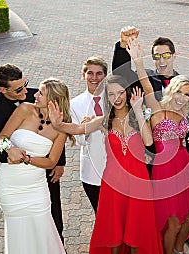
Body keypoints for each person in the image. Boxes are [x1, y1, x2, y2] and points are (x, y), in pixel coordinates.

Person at [49, 75, 163, 254]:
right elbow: (78, 129)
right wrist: (57, 124)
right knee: (113, 234)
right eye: (111, 94)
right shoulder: (104, 120)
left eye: (120, 92)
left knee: (137, 233)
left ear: (127, 93)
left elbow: (148, 142)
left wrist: (138, 110)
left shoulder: (138, 117)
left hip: (138, 182)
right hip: (113, 183)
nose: (116, 98)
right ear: (106, 97)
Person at [126, 37, 189, 254]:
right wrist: (137, 62)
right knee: (173, 221)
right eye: (179, 92)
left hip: (184, 167)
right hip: (164, 169)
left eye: (186, 94)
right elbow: (146, 84)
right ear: (170, 90)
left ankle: (176, 247)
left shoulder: (185, 110)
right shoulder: (157, 109)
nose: (183, 98)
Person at [0, 64, 66, 245]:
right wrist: (9, 153)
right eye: (19, 89)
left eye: (25, 84)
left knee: (53, 221)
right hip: (13, 182)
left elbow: (59, 129)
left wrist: (60, 162)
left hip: (42, 177)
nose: (26, 91)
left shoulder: (37, 96)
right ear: (3, 89)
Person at [0, 77, 75, 253]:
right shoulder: (24, 109)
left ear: (53, 100)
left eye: (40, 93)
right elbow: (1, 138)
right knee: (18, 234)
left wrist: (27, 159)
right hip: (10, 186)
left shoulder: (61, 127)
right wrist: (9, 149)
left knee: (42, 230)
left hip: (36, 188)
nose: (35, 95)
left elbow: (51, 161)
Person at [112, 26, 189, 174]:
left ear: (174, 55)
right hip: (147, 157)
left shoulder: (188, 88)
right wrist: (122, 45)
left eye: (166, 55)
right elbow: (120, 74)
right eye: (156, 56)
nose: (161, 61)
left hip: (178, 163)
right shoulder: (143, 79)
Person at [69, 56, 108, 212]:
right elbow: (77, 141)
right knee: (100, 214)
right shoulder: (75, 104)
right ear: (83, 75)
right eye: (90, 73)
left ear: (105, 76)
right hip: (92, 170)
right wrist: (84, 129)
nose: (94, 78)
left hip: (117, 167)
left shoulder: (115, 98)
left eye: (99, 73)